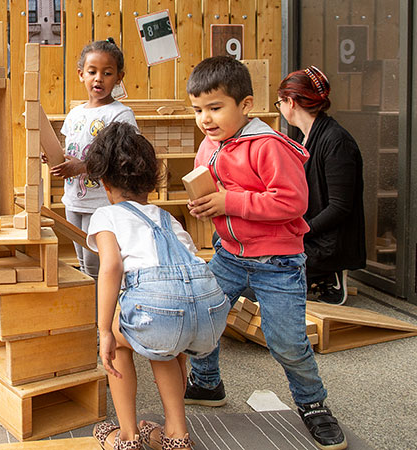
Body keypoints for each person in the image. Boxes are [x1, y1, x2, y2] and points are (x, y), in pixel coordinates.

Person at [184, 56, 347, 450]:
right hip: (228, 255)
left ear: (246, 105)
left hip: (278, 263)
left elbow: (292, 202)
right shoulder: (209, 146)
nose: (205, 119)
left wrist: (230, 202)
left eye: (215, 108)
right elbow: (220, 197)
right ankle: (207, 383)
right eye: (197, 110)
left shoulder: (270, 146)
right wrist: (206, 205)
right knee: (201, 318)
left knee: (287, 341)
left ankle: (313, 405)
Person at [87, 122, 228, 450]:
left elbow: (110, 267)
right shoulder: (169, 218)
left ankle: (127, 436)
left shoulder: (107, 216)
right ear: (150, 180)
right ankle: (177, 435)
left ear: (105, 184)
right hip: (208, 314)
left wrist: (104, 329)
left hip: (164, 313)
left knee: (120, 345)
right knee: (166, 346)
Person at [276, 66, 365, 305]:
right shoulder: (302, 138)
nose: (281, 108)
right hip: (307, 232)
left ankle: (329, 273)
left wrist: (300, 231)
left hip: (327, 241)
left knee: (264, 282)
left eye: (279, 103)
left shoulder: (337, 141)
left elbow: (340, 208)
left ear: (291, 103)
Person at [51, 38, 138, 279]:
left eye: (107, 73)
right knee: (82, 261)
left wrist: (82, 167)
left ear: (119, 77)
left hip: (101, 203)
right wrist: (52, 156)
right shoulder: (75, 113)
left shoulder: (121, 114)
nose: (98, 78)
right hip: (73, 200)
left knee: (96, 263)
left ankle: (104, 309)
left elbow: (123, 159)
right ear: (81, 74)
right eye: (92, 72)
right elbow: (70, 150)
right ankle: (93, 306)